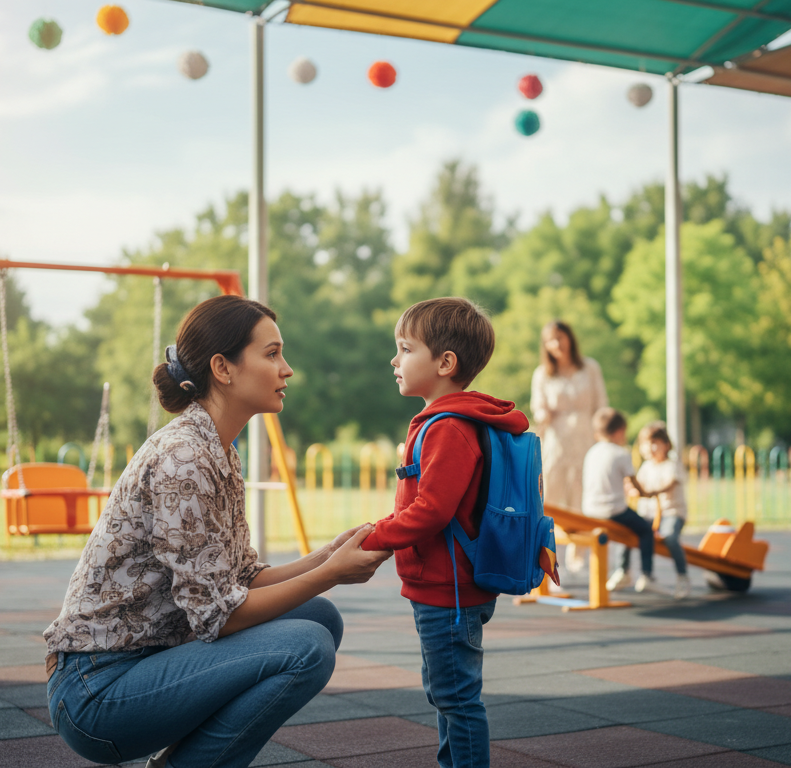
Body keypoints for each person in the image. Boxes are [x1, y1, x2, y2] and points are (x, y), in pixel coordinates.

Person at [44, 295, 393, 768]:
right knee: (306, 647)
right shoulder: (183, 459)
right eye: (271, 354)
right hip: (98, 692)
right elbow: (216, 617)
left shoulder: (219, 451)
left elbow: (240, 578)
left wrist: (324, 557)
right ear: (223, 369)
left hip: (147, 664)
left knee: (321, 618)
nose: (286, 369)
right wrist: (330, 572)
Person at [361, 297, 529, 768]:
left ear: (445, 363)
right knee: (447, 696)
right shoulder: (449, 420)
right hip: (448, 585)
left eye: (405, 348)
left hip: (448, 590)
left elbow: (432, 510)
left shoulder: (448, 428)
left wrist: (374, 537)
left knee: (456, 699)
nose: (395, 360)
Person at [530, 321, 607, 571]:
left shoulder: (590, 368)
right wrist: (544, 414)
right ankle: (548, 557)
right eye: (551, 340)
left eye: (560, 338)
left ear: (570, 339)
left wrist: (603, 435)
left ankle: (579, 551)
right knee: (552, 495)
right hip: (556, 440)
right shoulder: (542, 373)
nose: (557, 344)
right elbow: (537, 406)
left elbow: (601, 404)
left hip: (586, 437)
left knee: (583, 493)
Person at [581, 407, 663, 594]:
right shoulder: (621, 453)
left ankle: (623, 571)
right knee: (645, 530)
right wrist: (647, 494)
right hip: (612, 511)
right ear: (619, 432)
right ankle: (647, 575)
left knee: (627, 528)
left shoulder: (592, 452)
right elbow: (635, 484)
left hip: (589, 509)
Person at [632, 421, 690, 598]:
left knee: (670, 537)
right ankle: (630, 572)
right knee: (627, 532)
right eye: (646, 443)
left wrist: (651, 492)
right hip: (649, 514)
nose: (650, 447)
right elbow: (637, 486)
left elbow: (670, 483)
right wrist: (633, 489)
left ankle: (683, 576)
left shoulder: (671, 465)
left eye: (655, 442)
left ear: (666, 445)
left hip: (671, 512)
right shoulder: (645, 467)